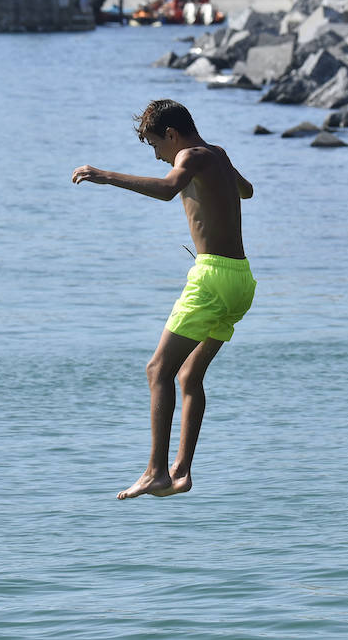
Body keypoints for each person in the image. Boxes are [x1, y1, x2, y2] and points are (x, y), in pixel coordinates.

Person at [71, 100, 256, 500]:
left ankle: (156, 471)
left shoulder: (188, 156)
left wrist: (106, 176)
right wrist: (218, 184)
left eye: (156, 146)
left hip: (212, 277)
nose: (158, 156)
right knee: (188, 377)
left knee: (158, 370)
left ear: (172, 134)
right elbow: (247, 190)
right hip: (241, 279)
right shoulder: (217, 155)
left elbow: (170, 189)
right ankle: (181, 471)